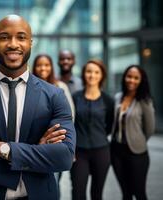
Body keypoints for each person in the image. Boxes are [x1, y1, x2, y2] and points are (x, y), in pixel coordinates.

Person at [0, 14, 76, 200]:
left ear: (30, 43)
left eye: (21, 37)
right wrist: (35, 155)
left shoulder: (55, 95)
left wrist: (5, 150)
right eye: (4, 37)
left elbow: (64, 156)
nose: (12, 44)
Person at [70, 59, 114, 200]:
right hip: (79, 152)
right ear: (84, 74)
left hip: (101, 151)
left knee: (97, 193)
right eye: (89, 71)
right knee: (78, 192)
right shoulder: (75, 97)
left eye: (96, 72)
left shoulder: (108, 100)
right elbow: (71, 123)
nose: (92, 75)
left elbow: (110, 124)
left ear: (101, 75)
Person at [110, 65, 155, 200]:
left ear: (141, 80)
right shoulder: (118, 97)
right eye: (129, 76)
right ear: (124, 78)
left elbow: (150, 129)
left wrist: (137, 139)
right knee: (126, 193)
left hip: (137, 153)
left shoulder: (145, 101)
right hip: (116, 151)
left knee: (139, 192)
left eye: (136, 78)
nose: (132, 80)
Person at [32, 53, 75, 120]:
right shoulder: (30, 87)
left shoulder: (61, 86)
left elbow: (70, 112)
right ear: (34, 68)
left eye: (47, 65)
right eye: (39, 65)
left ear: (51, 67)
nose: (43, 68)